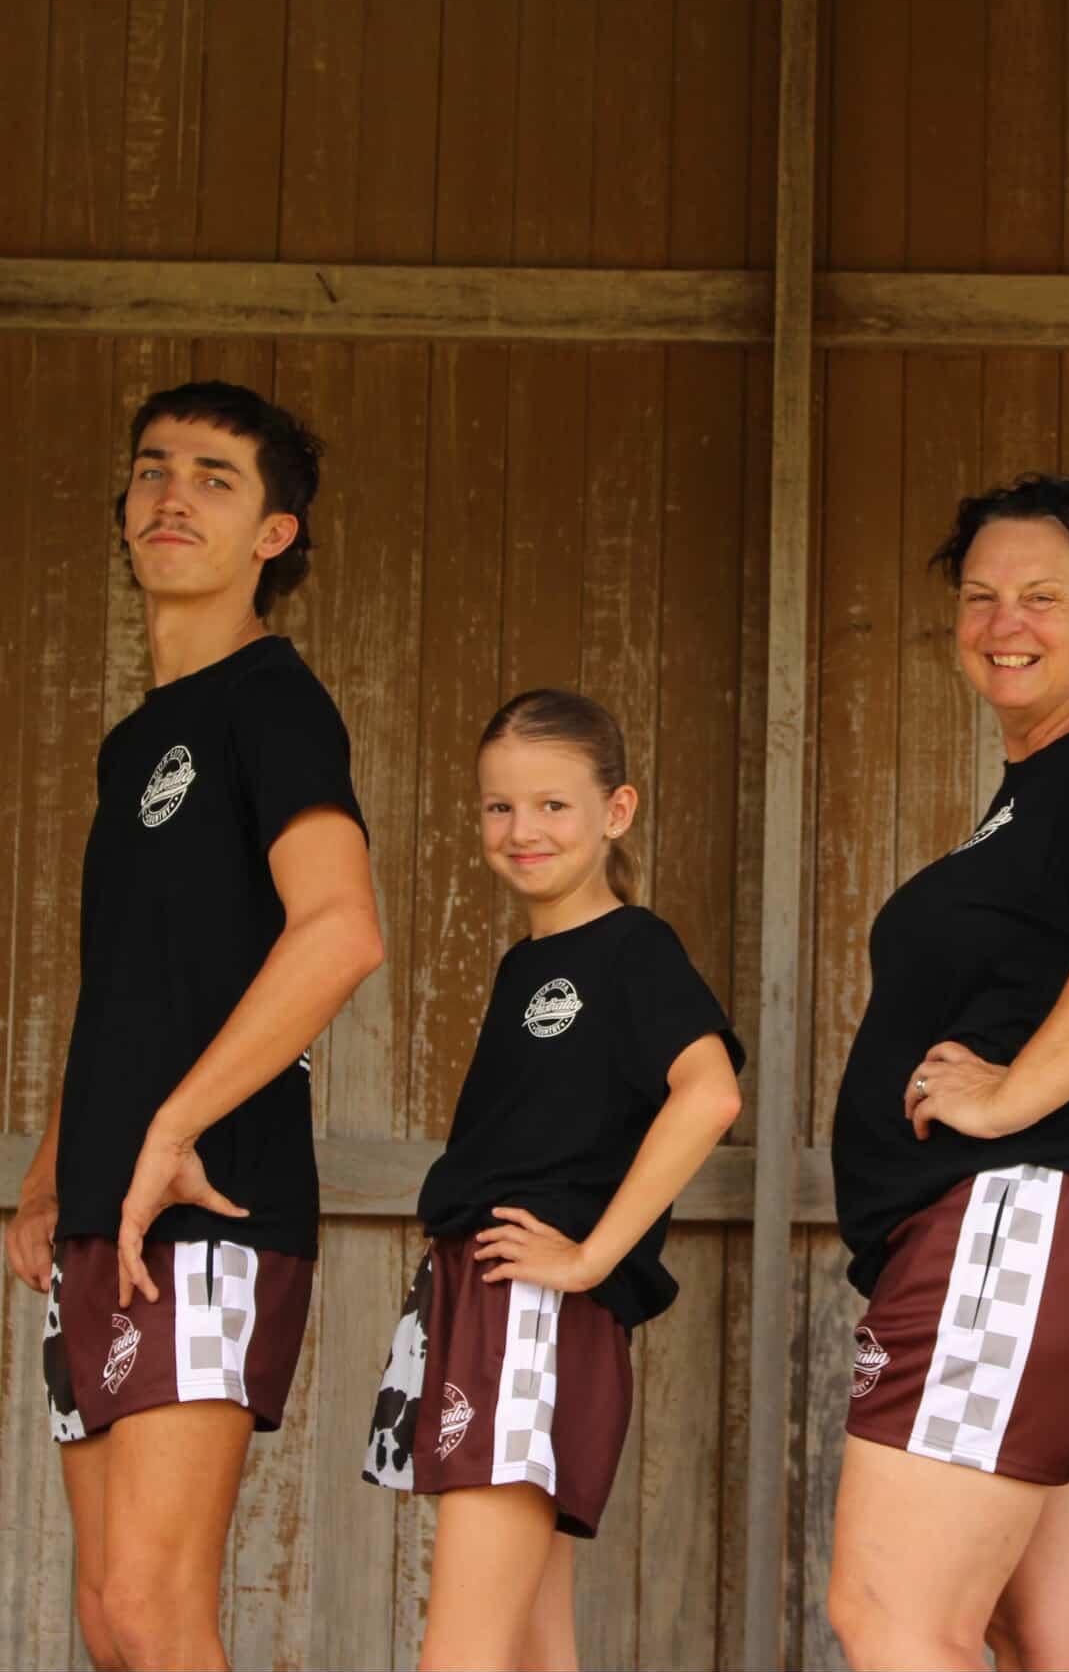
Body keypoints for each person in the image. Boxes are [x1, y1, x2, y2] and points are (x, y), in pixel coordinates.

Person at [4, 381, 383, 1672]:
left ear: (274, 532)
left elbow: (339, 929)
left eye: (216, 477)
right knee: (112, 1615)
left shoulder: (272, 702)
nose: (173, 495)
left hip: (212, 1202)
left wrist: (172, 1124)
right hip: (110, 1208)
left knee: (159, 1610)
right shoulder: (135, 743)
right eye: (152, 469)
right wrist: (58, 1169)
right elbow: (129, 980)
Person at [827, 474, 1069, 1672]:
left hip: (1027, 1215)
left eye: (1042, 595)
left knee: (894, 1618)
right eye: (982, 595)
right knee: (1047, 1633)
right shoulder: (1046, 787)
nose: (1006, 620)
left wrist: (1005, 1094)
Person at [363, 688, 744, 1671]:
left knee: (462, 1650)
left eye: (553, 804)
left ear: (617, 810)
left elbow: (708, 1094)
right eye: (499, 805)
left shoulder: (633, 948)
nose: (521, 829)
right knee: (534, 1642)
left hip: (531, 1308)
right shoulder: (524, 963)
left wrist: (587, 1257)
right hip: (482, 1297)